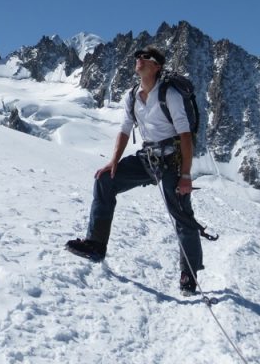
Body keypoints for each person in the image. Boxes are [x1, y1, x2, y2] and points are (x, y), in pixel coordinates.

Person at [65, 46, 205, 294]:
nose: (139, 60)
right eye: (137, 57)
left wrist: (185, 175)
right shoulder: (132, 96)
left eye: (146, 58)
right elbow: (124, 130)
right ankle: (96, 244)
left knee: (181, 214)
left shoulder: (169, 94)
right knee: (105, 182)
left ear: (157, 66)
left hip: (172, 160)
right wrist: (113, 163)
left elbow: (185, 136)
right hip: (148, 157)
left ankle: (189, 273)